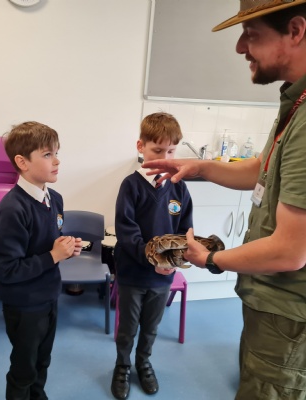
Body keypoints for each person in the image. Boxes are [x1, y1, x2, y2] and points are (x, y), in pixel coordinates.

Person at [143, 1, 306, 399]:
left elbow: (291, 251)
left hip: (289, 310)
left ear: (296, 30)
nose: (239, 47)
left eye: (251, 35)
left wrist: (211, 258)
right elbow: (263, 169)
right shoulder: (295, 101)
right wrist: (200, 167)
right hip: (271, 303)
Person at [0, 121, 82, 400]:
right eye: (48, 154)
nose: (57, 161)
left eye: (56, 153)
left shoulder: (55, 199)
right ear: (22, 162)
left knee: (42, 361)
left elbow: (48, 242)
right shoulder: (12, 211)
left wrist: (66, 248)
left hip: (49, 295)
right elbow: (6, 270)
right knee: (23, 369)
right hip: (24, 305)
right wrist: (53, 256)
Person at [111, 112, 193, 400]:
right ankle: (122, 366)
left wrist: (170, 262)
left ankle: (143, 363)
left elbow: (185, 231)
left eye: (171, 151)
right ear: (141, 146)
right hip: (133, 273)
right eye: (157, 150)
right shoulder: (130, 186)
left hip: (162, 277)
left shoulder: (179, 187)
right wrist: (153, 260)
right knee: (128, 327)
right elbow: (127, 232)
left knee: (151, 327)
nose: (165, 157)